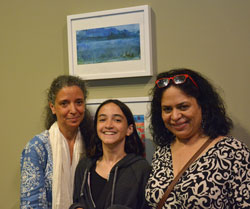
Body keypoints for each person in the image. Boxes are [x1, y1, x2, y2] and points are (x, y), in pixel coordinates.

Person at [145, 68, 250, 208]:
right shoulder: (162, 152)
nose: (175, 116)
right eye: (167, 109)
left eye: (183, 107)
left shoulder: (232, 151)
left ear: (203, 107)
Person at [20, 75, 94, 209]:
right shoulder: (37, 148)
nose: (73, 110)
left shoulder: (93, 144)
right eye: (64, 103)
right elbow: (32, 204)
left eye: (78, 102)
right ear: (53, 107)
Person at [70, 99, 151, 209]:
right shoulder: (84, 166)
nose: (108, 125)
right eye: (102, 119)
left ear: (129, 129)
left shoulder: (141, 169)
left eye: (117, 120)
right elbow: (77, 201)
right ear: (96, 127)